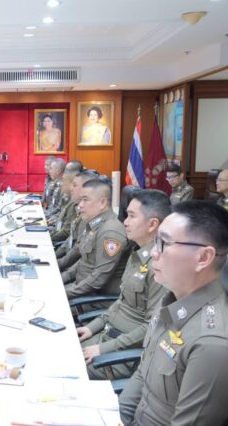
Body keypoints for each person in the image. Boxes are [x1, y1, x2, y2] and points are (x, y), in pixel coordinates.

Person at [119, 201, 228, 425]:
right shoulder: (171, 299)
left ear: (203, 258)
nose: (154, 253)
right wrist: (117, 417)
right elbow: (143, 373)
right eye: (155, 241)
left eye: (164, 243)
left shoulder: (212, 343)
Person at [77, 190, 171, 380]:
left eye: (132, 216)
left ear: (153, 224)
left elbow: (152, 326)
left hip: (121, 356)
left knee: (59, 369)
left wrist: (103, 349)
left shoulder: (160, 266)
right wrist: (92, 327)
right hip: (105, 336)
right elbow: (121, 302)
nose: (125, 222)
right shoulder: (137, 255)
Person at [62, 179, 130, 299]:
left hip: (94, 298)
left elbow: (98, 279)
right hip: (80, 289)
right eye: (80, 200)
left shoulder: (110, 232)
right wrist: (60, 279)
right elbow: (83, 262)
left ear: (102, 203)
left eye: (85, 200)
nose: (80, 205)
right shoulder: (94, 224)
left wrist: (63, 293)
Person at [56, 171, 99, 264]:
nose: (71, 188)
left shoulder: (90, 216)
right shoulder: (79, 209)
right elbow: (70, 239)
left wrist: (59, 264)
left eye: (75, 185)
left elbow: (78, 251)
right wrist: (55, 257)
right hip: (68, 260)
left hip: (73, 265)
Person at [49, 170, 78, 243]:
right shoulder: (68, 199)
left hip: (60, 241)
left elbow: (66, 231)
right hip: (56, 233)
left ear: (71, 185)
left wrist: (49, 239)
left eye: (63, 181)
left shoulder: (74, 204)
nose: (61, 184)